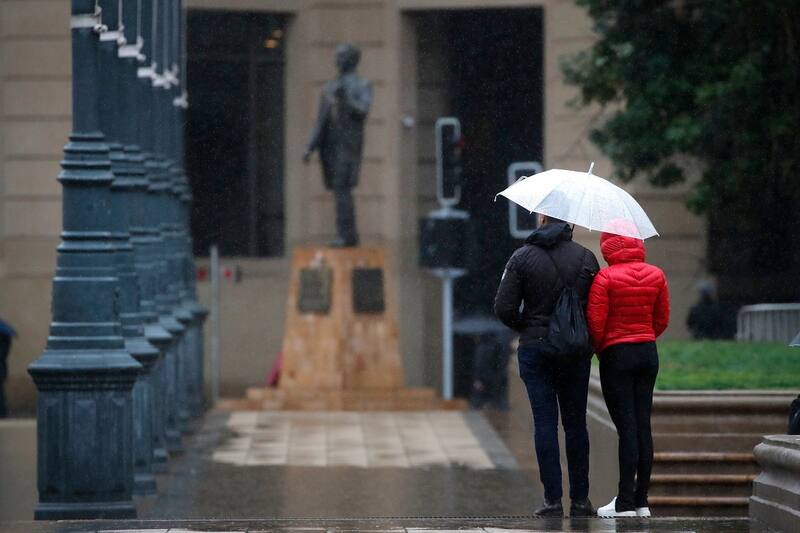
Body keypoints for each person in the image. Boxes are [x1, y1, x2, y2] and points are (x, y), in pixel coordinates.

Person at [494, 214, 599, 518]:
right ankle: (580, 500)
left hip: (536, 349)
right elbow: (597, 306)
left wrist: (528, 326)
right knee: (576, 424)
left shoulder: (522, 257)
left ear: (541, 219)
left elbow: (503, 307)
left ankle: (552, 500)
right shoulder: (587, 257)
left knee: (544, 423)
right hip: (574, 352)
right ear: (569, 224)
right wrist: (583, 335)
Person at [586, 228, 670, 518]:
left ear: (607, 246)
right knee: (643, 426)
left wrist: (602, 348)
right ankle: (641, 500)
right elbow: (662, 319)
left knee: (627, 429)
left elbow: (596, 323)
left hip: (617, 355)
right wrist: (644, 335)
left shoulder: (605, 278)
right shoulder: (656, 275)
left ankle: (623, 502)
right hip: (648, 352)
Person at [303, 43, 373, 248]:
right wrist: (310, 147)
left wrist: (346, 98)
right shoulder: (329, 88)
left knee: (343, 188)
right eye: (336, 56)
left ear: (352, 59)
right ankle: (346, 233)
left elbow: (362, 111)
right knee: (338, 189)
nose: (337, 60)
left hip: (349, 145)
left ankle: (347, 234)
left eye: (341, 56)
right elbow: (321, 121)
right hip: (331, 146)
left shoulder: (363, 85)